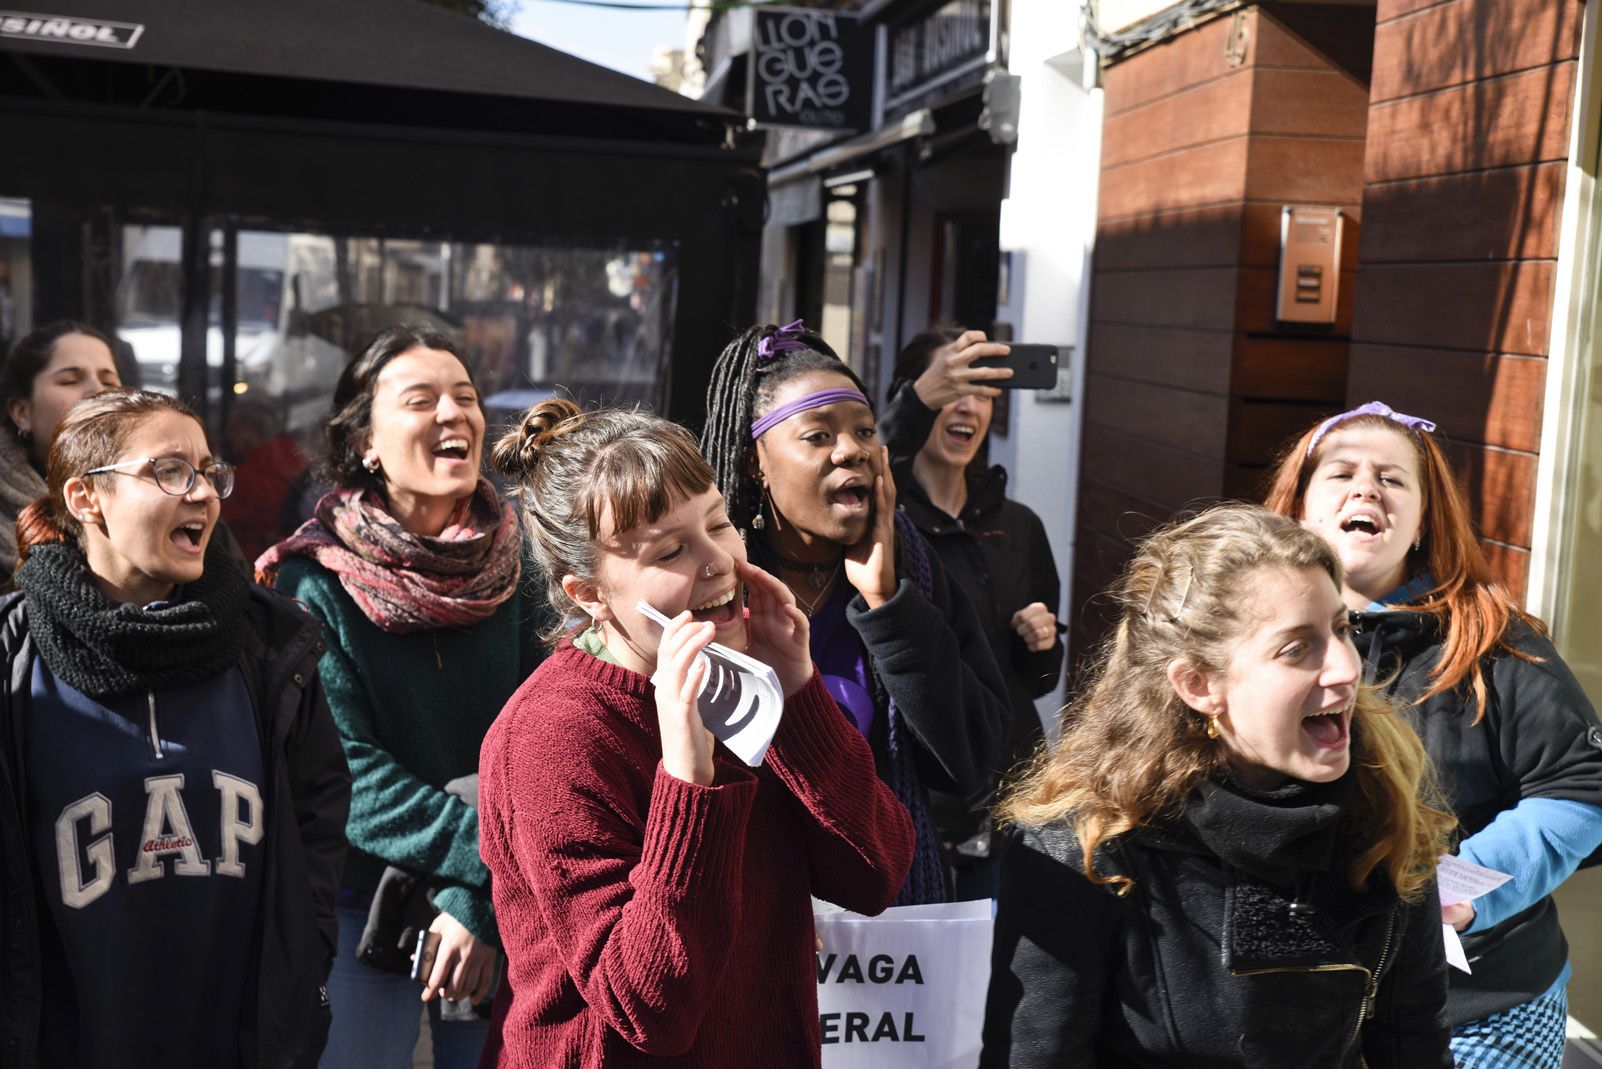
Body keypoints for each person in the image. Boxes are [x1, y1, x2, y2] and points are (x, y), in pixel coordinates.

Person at [477, 398, 914, 1066]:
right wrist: (688, 783)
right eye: (672, 549)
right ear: (590, 593)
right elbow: (649, 1007)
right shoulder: (550, 734)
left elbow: (875, 874)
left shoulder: (742, 681)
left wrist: (799, 693)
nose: (718, 560)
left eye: (720, 523)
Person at [981, 505, 1456, 1067]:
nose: (1346, 669)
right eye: (1296, 648)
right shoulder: (1082, 850)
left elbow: (1414, 1045)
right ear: (1199, 685)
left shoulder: (1386, 816)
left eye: (1339, 629)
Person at [0, 388, 350, 1068]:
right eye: (169, 470)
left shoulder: (271, 646)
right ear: (85, 498)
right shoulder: (15, 660)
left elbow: (318, 813)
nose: (202, 492)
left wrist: (303, 957)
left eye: (208, 470)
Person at [1264, 400, 1602, 1067]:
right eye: (1342, 473)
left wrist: (1459, 890)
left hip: (1478, 1006)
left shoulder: (1492, 642)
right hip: (1290, 1003)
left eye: (1392, 478)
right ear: (1298, 505)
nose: (1366, 487)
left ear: (1422, 520)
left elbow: (1584, 786)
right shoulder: (1237, 640)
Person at [258, 326, 546, 1069]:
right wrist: (483, 858)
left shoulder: (525, 566)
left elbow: (547, 751)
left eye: (467, 397)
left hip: (502, 910)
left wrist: (475, 900)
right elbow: (345, 768)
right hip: (361, 910)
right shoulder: (315, 582)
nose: (455, 414)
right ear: (366, 444)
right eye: (422, 400)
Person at [701, 321, 1011, 905]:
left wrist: (888, 606)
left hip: (880, 933)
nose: (852, 450)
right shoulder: (710, 586)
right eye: (817, 436)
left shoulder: (912, 569)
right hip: (743, 912)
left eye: (865, 431)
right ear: (753, 464)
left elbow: (975, 763)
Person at [880, 328, 1065, 898]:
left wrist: (1042, 646)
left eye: (984, 392)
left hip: (1011, 795)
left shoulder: (1018, 524)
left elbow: (1039, 682)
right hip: (913, 798)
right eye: (955, 387)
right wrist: (908, 407)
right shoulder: (884, 516)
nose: (969, 406)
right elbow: (862, 472)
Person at [1, 321, 122, 588]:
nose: (97, 391)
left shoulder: (171, 494)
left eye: (109, 381)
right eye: (70, 380)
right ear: (21, 413)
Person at [222, 397, 309, 563]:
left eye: (234, 428)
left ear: (252, 428)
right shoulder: (288, 455)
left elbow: (227, 516)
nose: (229, 435)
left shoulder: (262, 470)